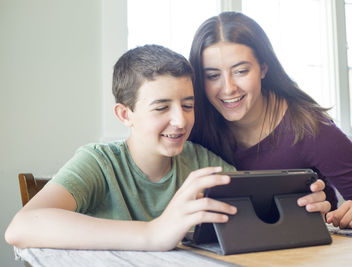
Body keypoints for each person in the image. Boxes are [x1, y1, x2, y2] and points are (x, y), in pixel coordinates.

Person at [5, 44, 326, 251]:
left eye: (188, 105)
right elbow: (20, 228)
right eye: (161, 107)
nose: (180, 120)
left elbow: (252, 212)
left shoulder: (201, 162)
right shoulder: (99, 162)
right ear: (125, 114)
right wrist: (152, 233)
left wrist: (301, 208)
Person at [188, 12, 352, 229]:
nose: (229, 88)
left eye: (241, 71)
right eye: (213, 76)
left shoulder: (310, 128)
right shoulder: (194, 125)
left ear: (263, 68)